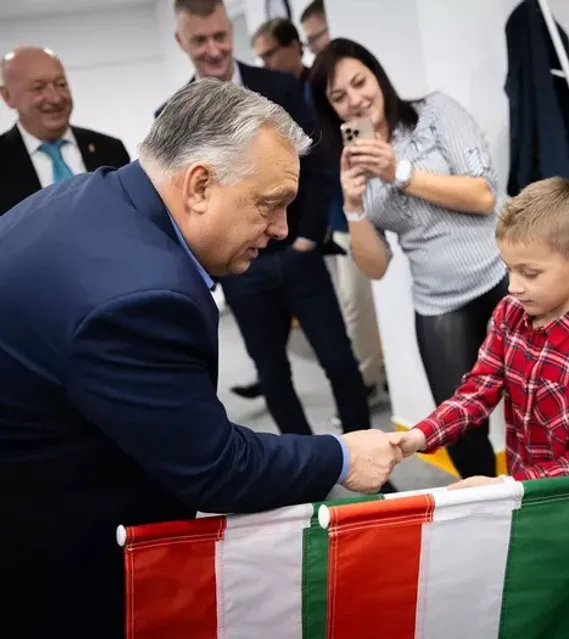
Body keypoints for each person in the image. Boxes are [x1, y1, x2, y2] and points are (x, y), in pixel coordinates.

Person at [0, 79, 401, 637]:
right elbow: (214, 468)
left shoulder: (92, 197)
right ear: (200, 185)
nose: (281, 229)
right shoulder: (139, 297)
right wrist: (342, 456)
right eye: (270, 204)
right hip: (53, 547)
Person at [391, 178, 569, 639]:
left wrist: (503, 485)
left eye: (530, 273)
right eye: (509, 269)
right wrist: (418, 436)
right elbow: (478, 390)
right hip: (530, 507)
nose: (513, 286)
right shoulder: (509, 313)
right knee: (541, 612)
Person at [161, 0, 376, 449]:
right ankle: (310, 473)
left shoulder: (279, 87)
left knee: (340, 361)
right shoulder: (172, 117)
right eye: (200, 40)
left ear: (230, 31)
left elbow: (316, 164)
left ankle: (368, 468)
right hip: (240, 270)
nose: (213, 49)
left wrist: (307, 237)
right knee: (273, 373)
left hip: (298, 254)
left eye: (221, 36)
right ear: (181, 41)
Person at [311, 38, 508, 479]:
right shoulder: (352, 162)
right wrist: (353, 206)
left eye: (359, 82)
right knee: (460, 432)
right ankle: (494, 511)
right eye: (339, 96)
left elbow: (482, 195)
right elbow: (376, 266)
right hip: (438, 304)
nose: (354, 100)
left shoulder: (435, 113)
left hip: (505, 276)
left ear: (377, 76)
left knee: (560, 395)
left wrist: (398, 172)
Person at [250, 18, 388, 411]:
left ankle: (367, 381)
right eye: (260, 57)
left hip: (347, 216)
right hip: (324, 224)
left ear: (292, 46)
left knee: (353, 307)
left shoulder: (323, 89)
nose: (266, 63)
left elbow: (341, 153)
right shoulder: (281, 94)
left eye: (270, 53)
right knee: (346, 307)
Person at [0, 46, 130, 215]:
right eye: (38, 88)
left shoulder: (110, 149)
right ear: (8, 97)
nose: (56, 98)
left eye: (61, 84)